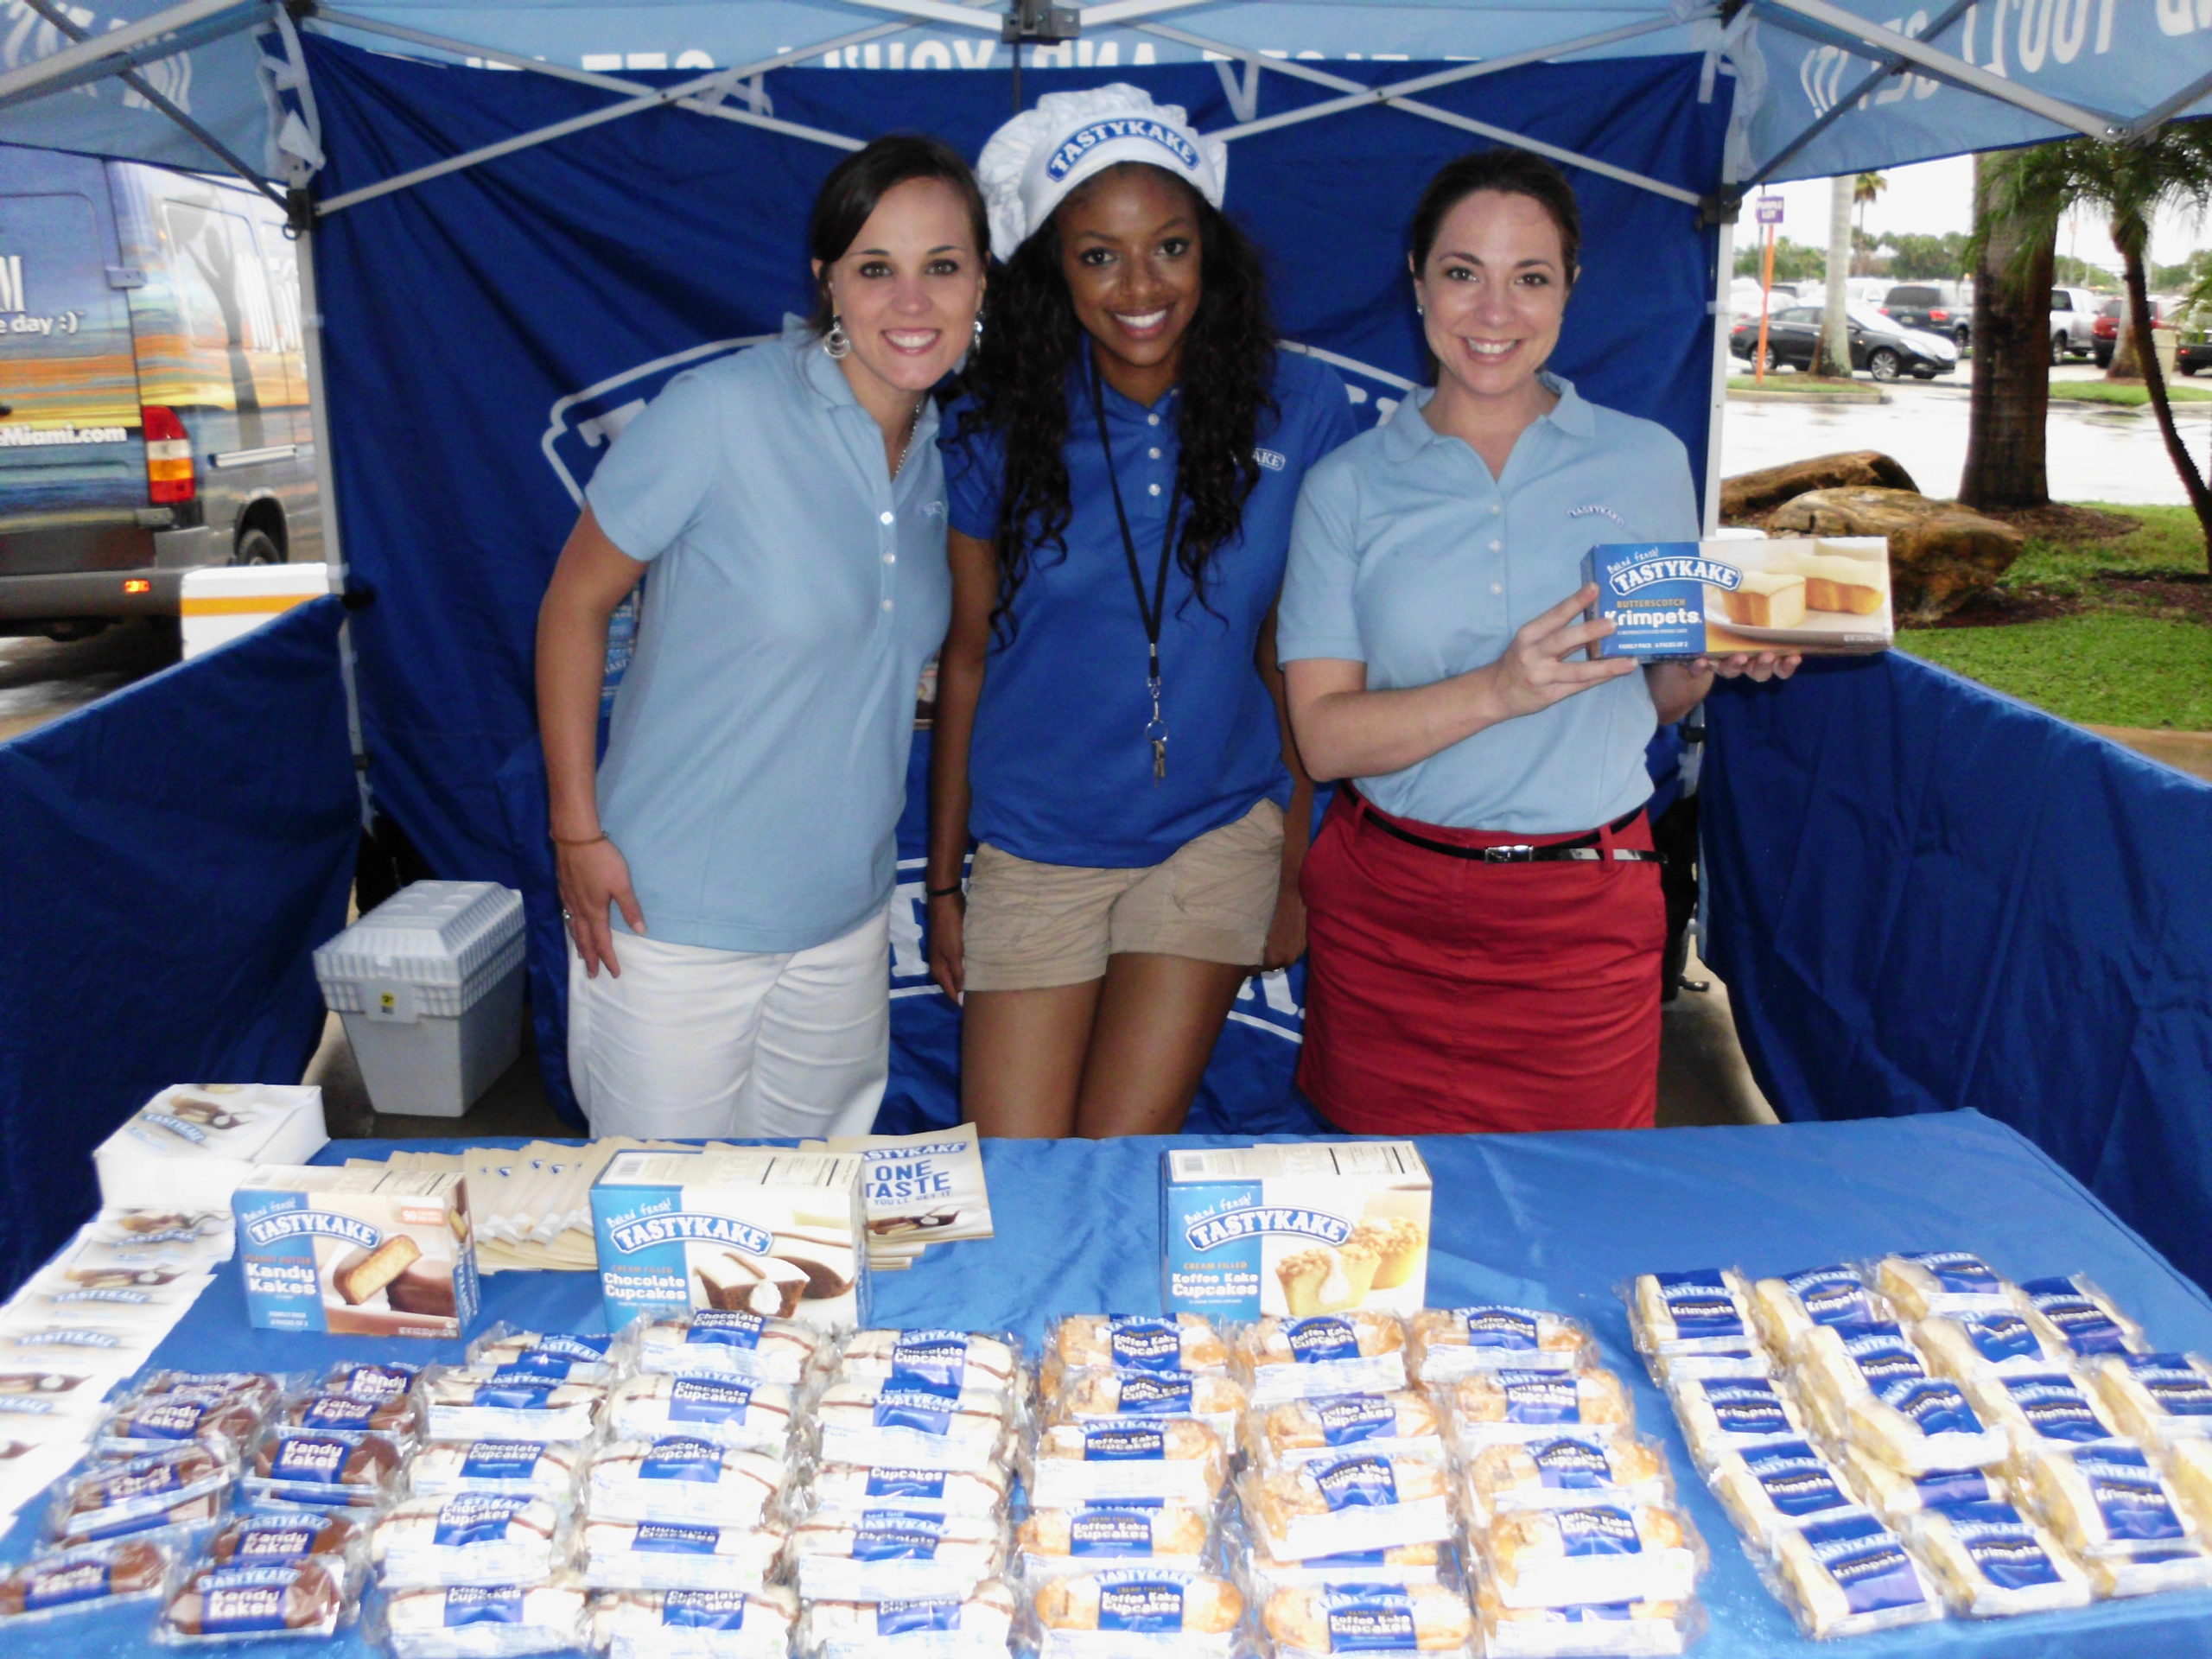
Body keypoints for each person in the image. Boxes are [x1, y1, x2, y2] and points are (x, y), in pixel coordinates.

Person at [1277, 148, 1796, 1136]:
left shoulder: (1646, 459)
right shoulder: (1346, 485)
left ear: (1568, 292)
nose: (1493, 312)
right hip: (1392, 913)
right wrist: (1500, 688)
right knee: (1395, 1238)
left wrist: (1705, 665)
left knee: (1578, 1217)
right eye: (1463, 273)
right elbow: (1326, 741)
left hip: (1581, 917)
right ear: (1417, 281)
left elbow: (1634, 700)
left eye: (1530, 279)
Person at [534, 136, 988, 1141]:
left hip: (844, 927)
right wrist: (575, 829)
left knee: (809, 1245)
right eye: (876, 269)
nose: (911, 303)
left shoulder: (944, 458)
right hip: (671, 925)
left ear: (979, 283)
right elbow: (573, 604)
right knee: (666, 1240)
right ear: (828, 281)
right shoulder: (721, 412)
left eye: (940, 267)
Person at [925, 86, 1355, 1138]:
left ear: (1208, 251)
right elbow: (968, 659)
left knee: (1119, 1157)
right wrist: (945, 887)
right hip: (1037, 845)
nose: (1139, 286)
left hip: (1213, 833)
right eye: (1097, 255)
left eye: (1168, 246)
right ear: (1050, 270)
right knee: (1020, 1171)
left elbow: (1289, 657)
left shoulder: (1300, 410)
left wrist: (1295, 870)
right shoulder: (996, 431)